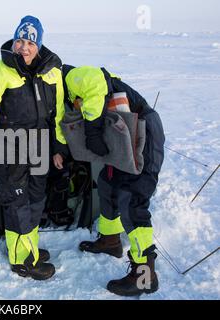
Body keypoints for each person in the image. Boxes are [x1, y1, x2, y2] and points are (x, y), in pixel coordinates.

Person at [0, 16, 67, 280]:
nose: (24, 47)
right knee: (17, 204)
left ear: (39, 46)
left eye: (30, 42)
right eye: (20, 40)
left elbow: (57, 115)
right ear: (13, 41)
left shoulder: (52, 73)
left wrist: (59, 147)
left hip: (40, 150)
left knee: (36, 200)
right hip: (9, 152)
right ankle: (21, 260)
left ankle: (28, 248)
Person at [62, 64, 165, 296]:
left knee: (133, 202)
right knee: (108, 185)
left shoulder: (71, 76)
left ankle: (144, 276)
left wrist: (92, 133)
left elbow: (96, 82)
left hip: (142, 131)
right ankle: (110, 241)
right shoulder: (62, 91)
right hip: (120, 135)